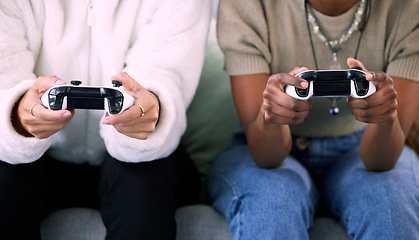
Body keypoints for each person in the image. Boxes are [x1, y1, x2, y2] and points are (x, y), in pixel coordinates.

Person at [0, 0, 213, 239]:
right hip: (41, 157)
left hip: (139, 156)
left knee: (142, 183)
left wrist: (147, 109)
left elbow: (163, 74)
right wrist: (17, 116)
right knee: (5, 179)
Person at [208, 0, 419, 239]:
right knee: (271, 206)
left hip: (361, 142)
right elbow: (265, 156)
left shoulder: (409, 8)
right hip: (262, 143)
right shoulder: (247, 4)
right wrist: (273, 117)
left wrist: (384, 119)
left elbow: (381, 162)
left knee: (390, 207)